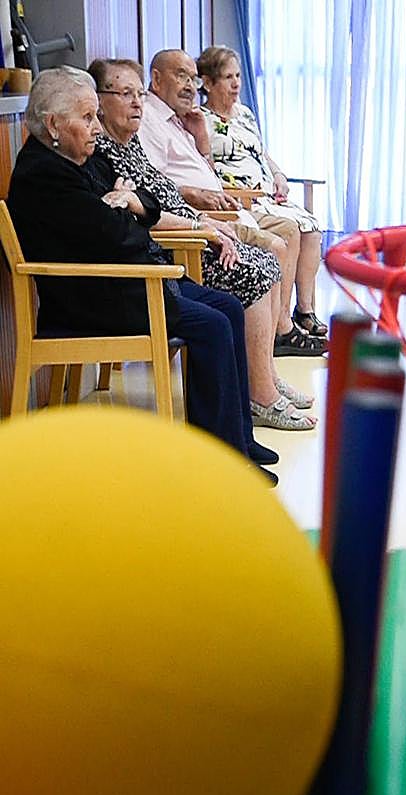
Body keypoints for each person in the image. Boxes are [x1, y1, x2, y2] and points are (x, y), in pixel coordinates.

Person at [7, 65, 280, 483]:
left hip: (125, 281)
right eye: (87, 117)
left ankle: (238, 437)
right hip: (93, 300)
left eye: (96, 115)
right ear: (54, 125)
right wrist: (125, 212)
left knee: (228, 307)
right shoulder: (43, 174)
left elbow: (144, 202)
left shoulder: (81, 158)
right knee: (211, 325)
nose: (96, 127)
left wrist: (129, 202)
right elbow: (118, 235)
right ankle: (222, 464)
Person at [88, 58, 316, 431]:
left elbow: (162, 197)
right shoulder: (106, 153)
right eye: (126, 94)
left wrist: (206, 222)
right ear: (99, 102)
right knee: (255, 270)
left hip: (198, 227)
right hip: (176, 249)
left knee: (266, 260)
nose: (137, 103)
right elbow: (144, 215)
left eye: (138, 94)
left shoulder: (131, 144)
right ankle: (261, 396)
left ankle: (265, 380)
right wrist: (202, 227)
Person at [137, 48, 327, 357]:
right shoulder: (152, 120)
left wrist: (201, 142)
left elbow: (230, 163)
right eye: (181, 76)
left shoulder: (182, 121)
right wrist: (197, 197)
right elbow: (155, 186)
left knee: (300, 230)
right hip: (212, 213)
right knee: (276, 246)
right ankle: (279, 335)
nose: (189, 85)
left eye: (192, 78)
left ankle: (295, 319)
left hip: (226, 207)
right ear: (156, 80)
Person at [196, 45, 326, 347]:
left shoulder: (244, 114)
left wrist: (278, 174)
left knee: (312, 226)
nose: (236, 84)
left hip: (266, 192)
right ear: (208, 83)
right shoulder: (200, 120)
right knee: (293, 229)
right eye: (228, 77)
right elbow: (203, 167)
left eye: (238, 76)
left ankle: (304, 310)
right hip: (241, 197)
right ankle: (282, 322)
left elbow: (260, 152)